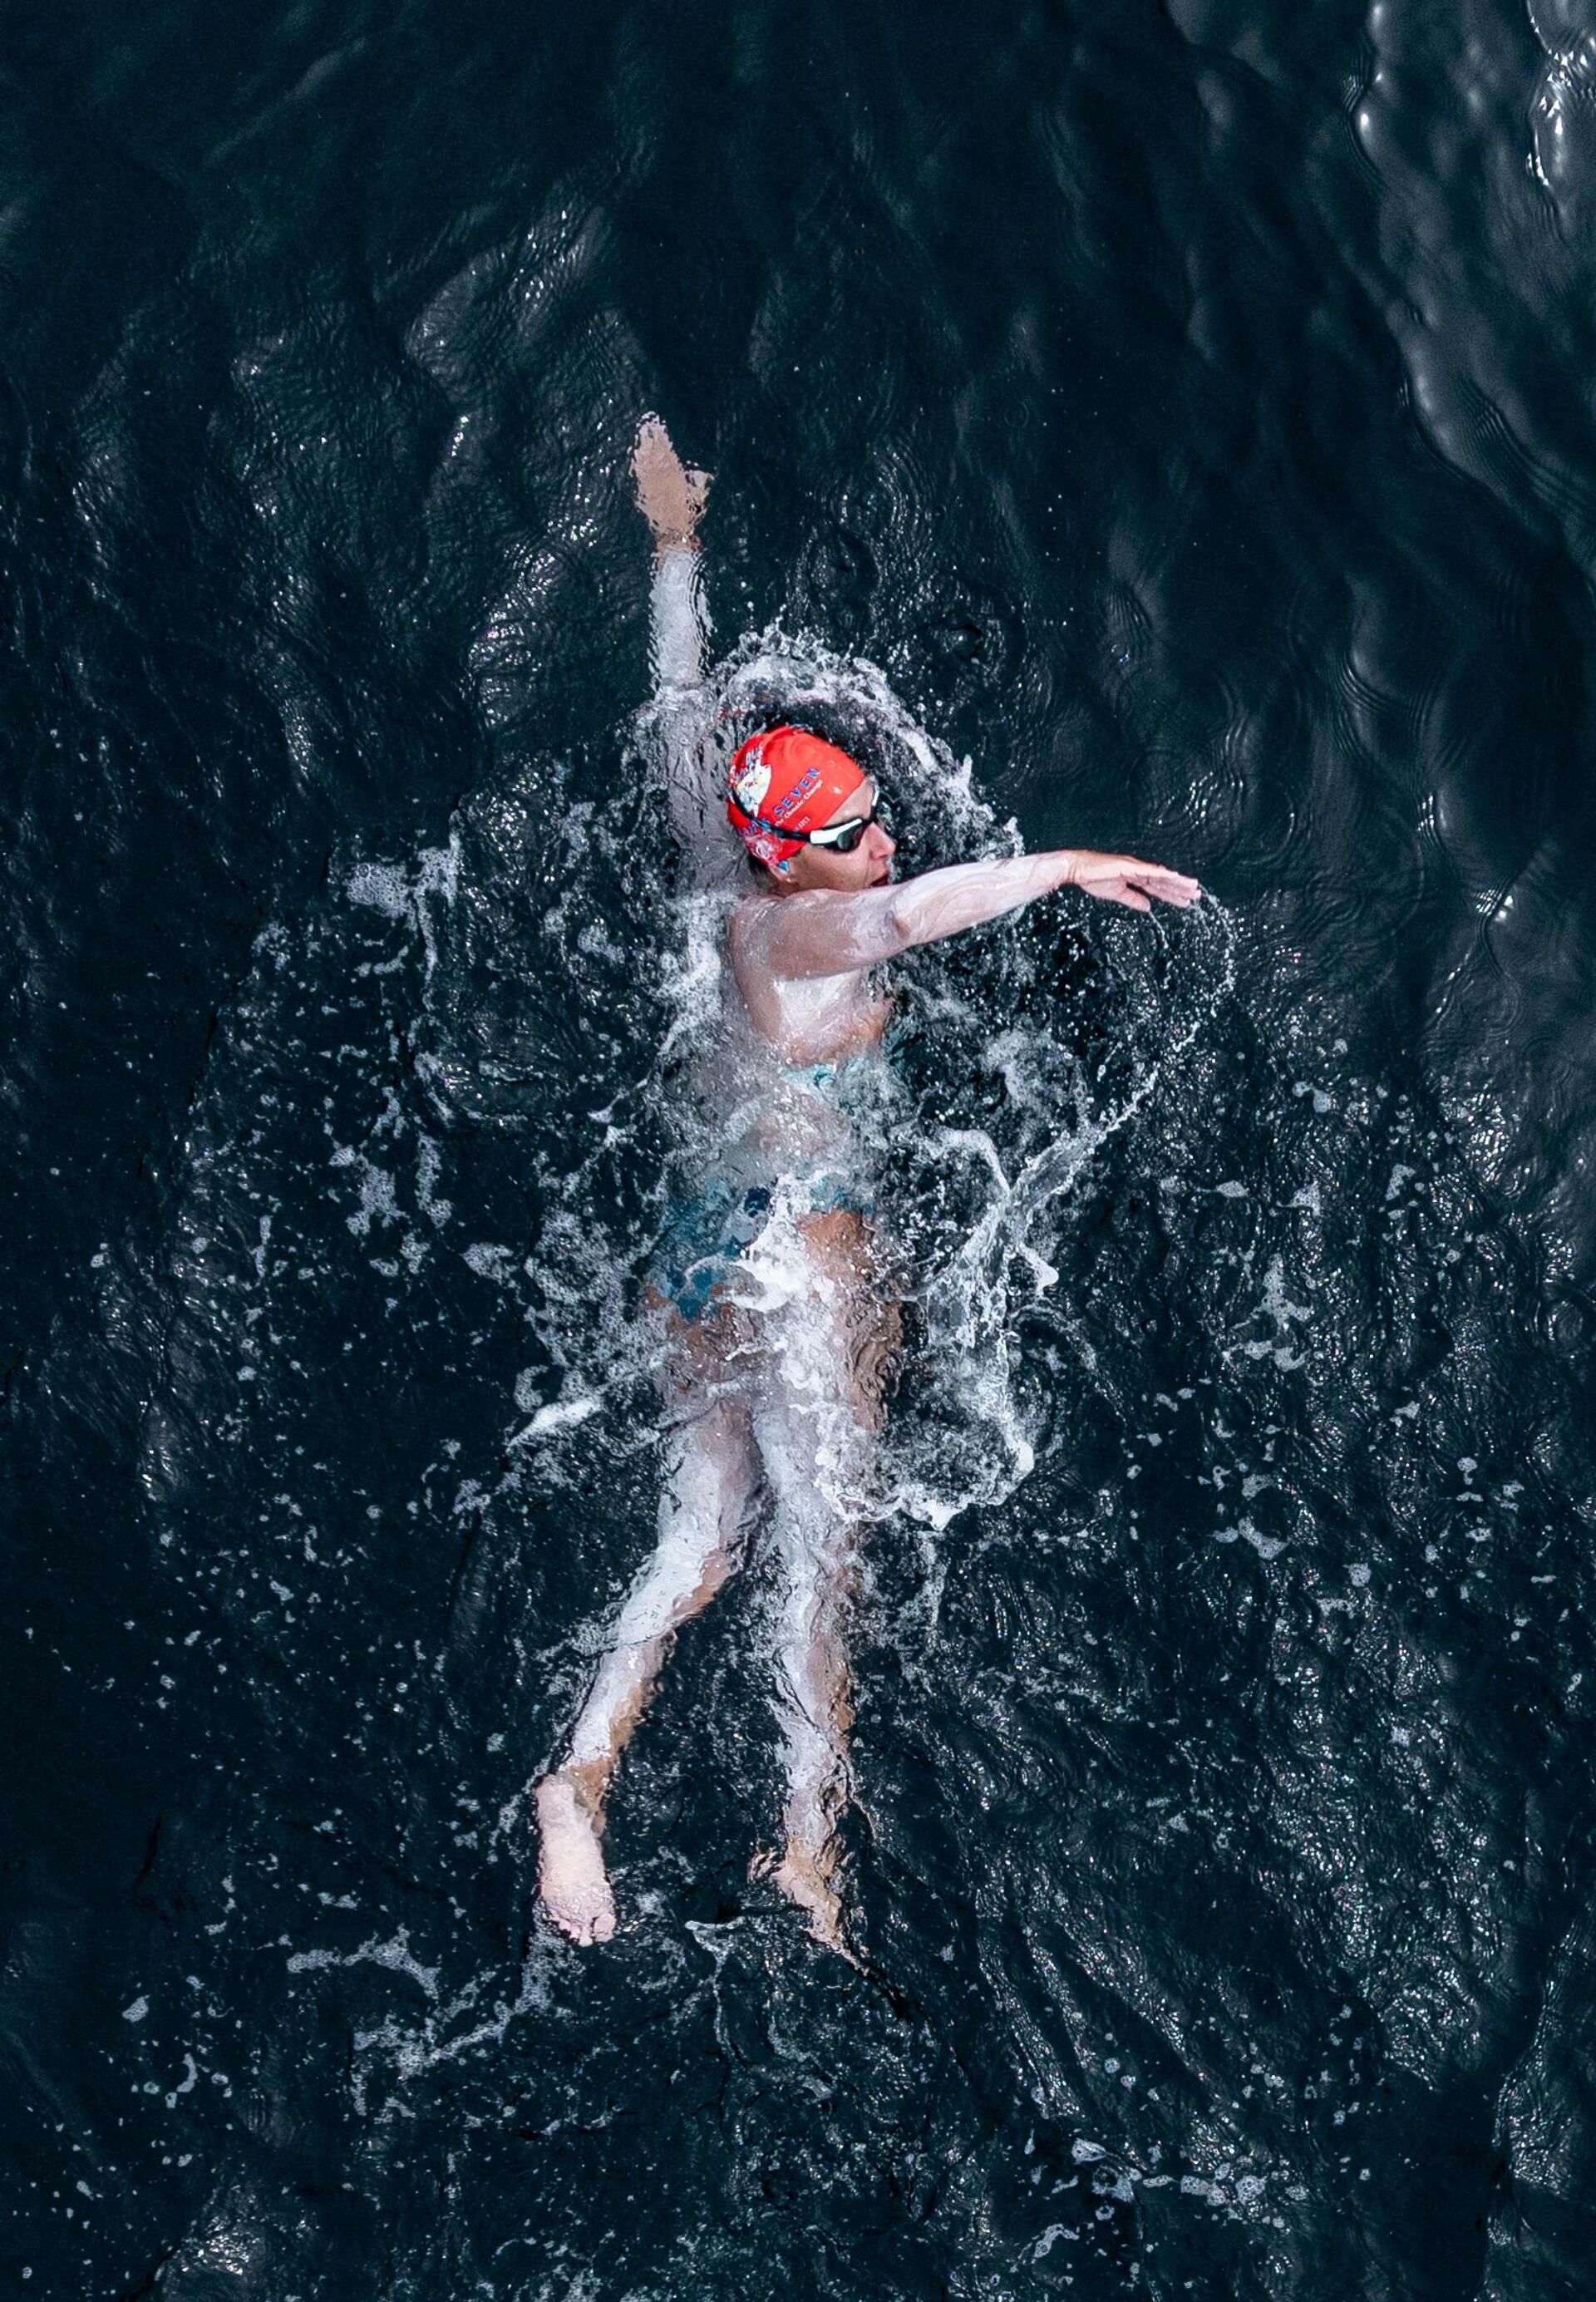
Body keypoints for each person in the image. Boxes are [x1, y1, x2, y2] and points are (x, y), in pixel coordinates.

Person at [534, 417, 1200, 1953]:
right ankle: (805, 1858)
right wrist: (1056, 867)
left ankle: (577, 1780)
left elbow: (681, 704)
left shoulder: (721, 857)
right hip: (800, 1263)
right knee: (815, 1576)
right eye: (846, 833)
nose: (877, 832)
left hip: (693, 1251)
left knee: (697, 1536)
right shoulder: (798, 934)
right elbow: (904, 921)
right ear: (794, 865)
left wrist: (675, 547)